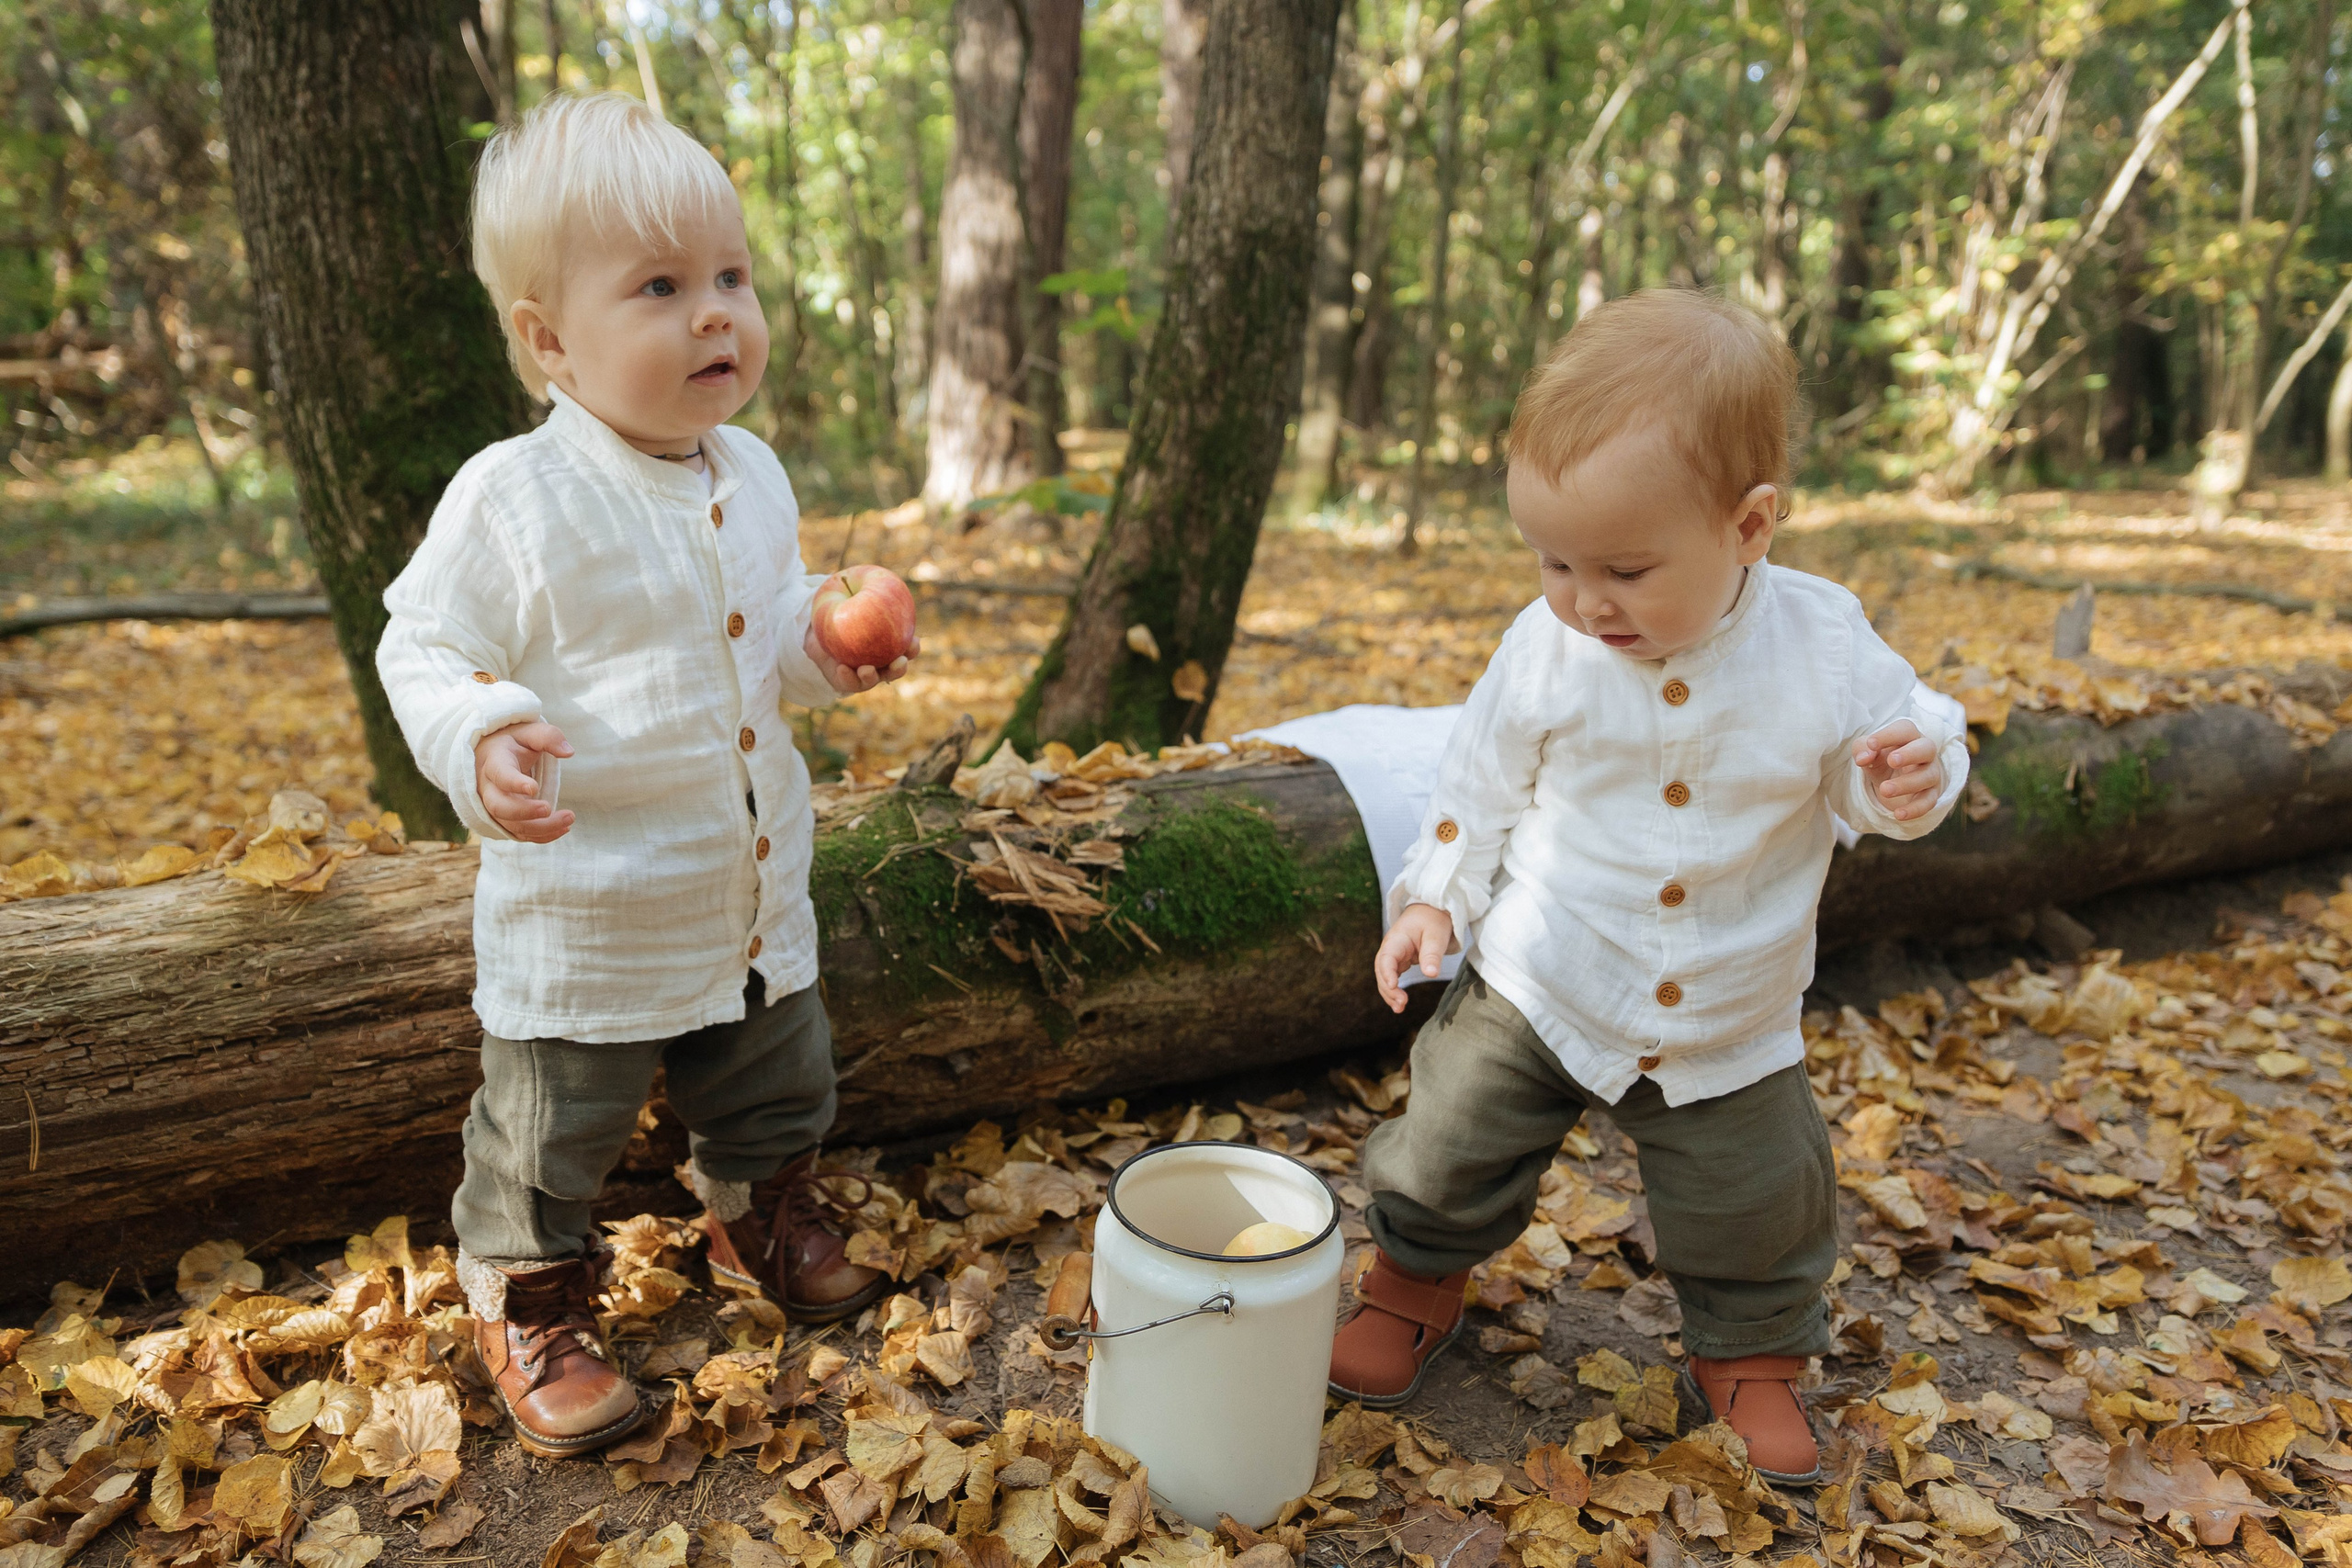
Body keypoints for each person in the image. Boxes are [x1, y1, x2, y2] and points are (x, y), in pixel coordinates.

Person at [1328, 290, 1968, 1484]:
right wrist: (1437, 899)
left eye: (1624, 567)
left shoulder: (1823, 648)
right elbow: (1480, 780)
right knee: (1451, 1139)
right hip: (1543, 975)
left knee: (1759, 1196)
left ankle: (1753, 1356)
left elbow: (1901, 752)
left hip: (1728, 1010)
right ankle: (1413, 1279)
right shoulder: (1547, 644)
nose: (1584, 598)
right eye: (1554, 561)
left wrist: (1911, 775)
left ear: (1749, 528)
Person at [378, 93, 913, 1460]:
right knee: (550, 1133)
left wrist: (819, 646)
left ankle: (760, 1214)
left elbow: (769, 632)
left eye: (732, 277)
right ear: (550, 340)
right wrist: (481, 731)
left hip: (738, 890)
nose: (717, 316)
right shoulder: (516, 498)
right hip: (595, 909)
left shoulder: (756, 472)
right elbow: (424, 645)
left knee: (779, 1078)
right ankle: (532, 1296)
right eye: (662, 289)